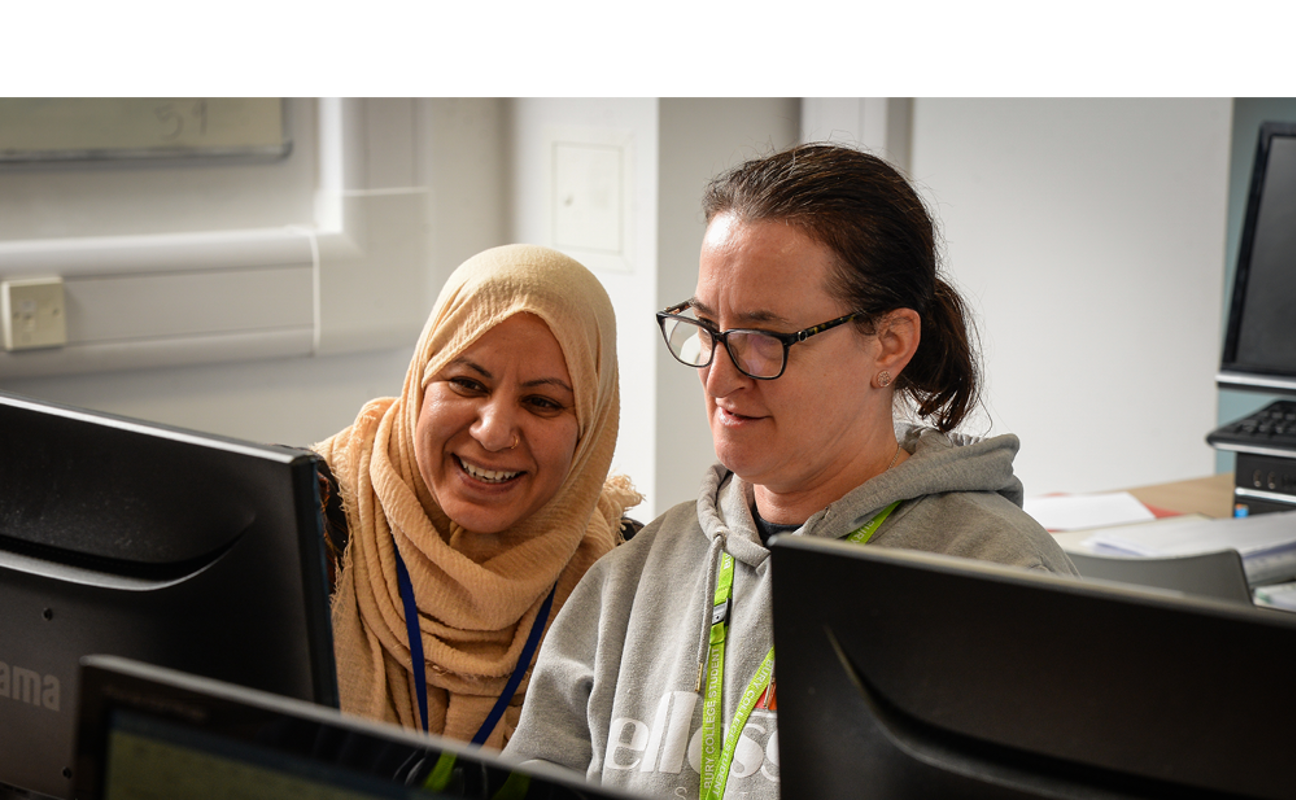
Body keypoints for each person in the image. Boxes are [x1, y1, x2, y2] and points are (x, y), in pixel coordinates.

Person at [503, 144, 1077, 798]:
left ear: (889, 344)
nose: (718, 376)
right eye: (705, 326)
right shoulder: (635, 577)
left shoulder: (1001, 583)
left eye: (762, 337)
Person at [313, 243, 640, 750]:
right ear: (422, 381)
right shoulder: (308, 522)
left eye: (542, 402)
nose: (492, 432)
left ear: (591, 426)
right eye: (466, 383)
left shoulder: (622, 581)